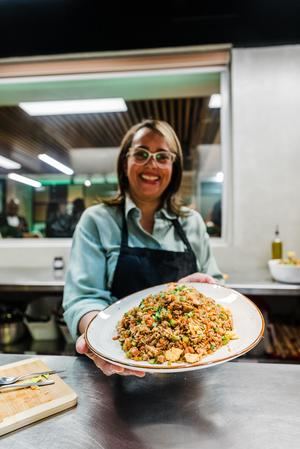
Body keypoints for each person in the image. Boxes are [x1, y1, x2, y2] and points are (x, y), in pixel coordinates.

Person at [63, 119, 223, 377]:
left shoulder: (192, 222)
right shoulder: (96, 221)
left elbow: (215, 287)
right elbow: (83, 299)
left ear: (174, 166)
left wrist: (206, 290)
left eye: (163, 156)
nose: (152, 164)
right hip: (113, 369)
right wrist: (102, 341)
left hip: (188, 373)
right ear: (125, 162)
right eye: (141, 153)